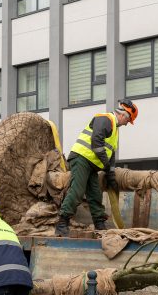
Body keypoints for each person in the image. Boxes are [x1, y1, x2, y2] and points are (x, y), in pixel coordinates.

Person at [56, 98, 138, 237]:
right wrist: (106, 166)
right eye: (128, 120)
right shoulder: (105, 119)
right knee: (77, 191)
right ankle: (62, 223)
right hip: (81, 158)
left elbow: (111, 154)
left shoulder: (115, 130)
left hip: (91, 165)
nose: (126, 124)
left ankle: (100, 225)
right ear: (123, 114)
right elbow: (96, 142)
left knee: (95, 194)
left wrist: (111, 174)